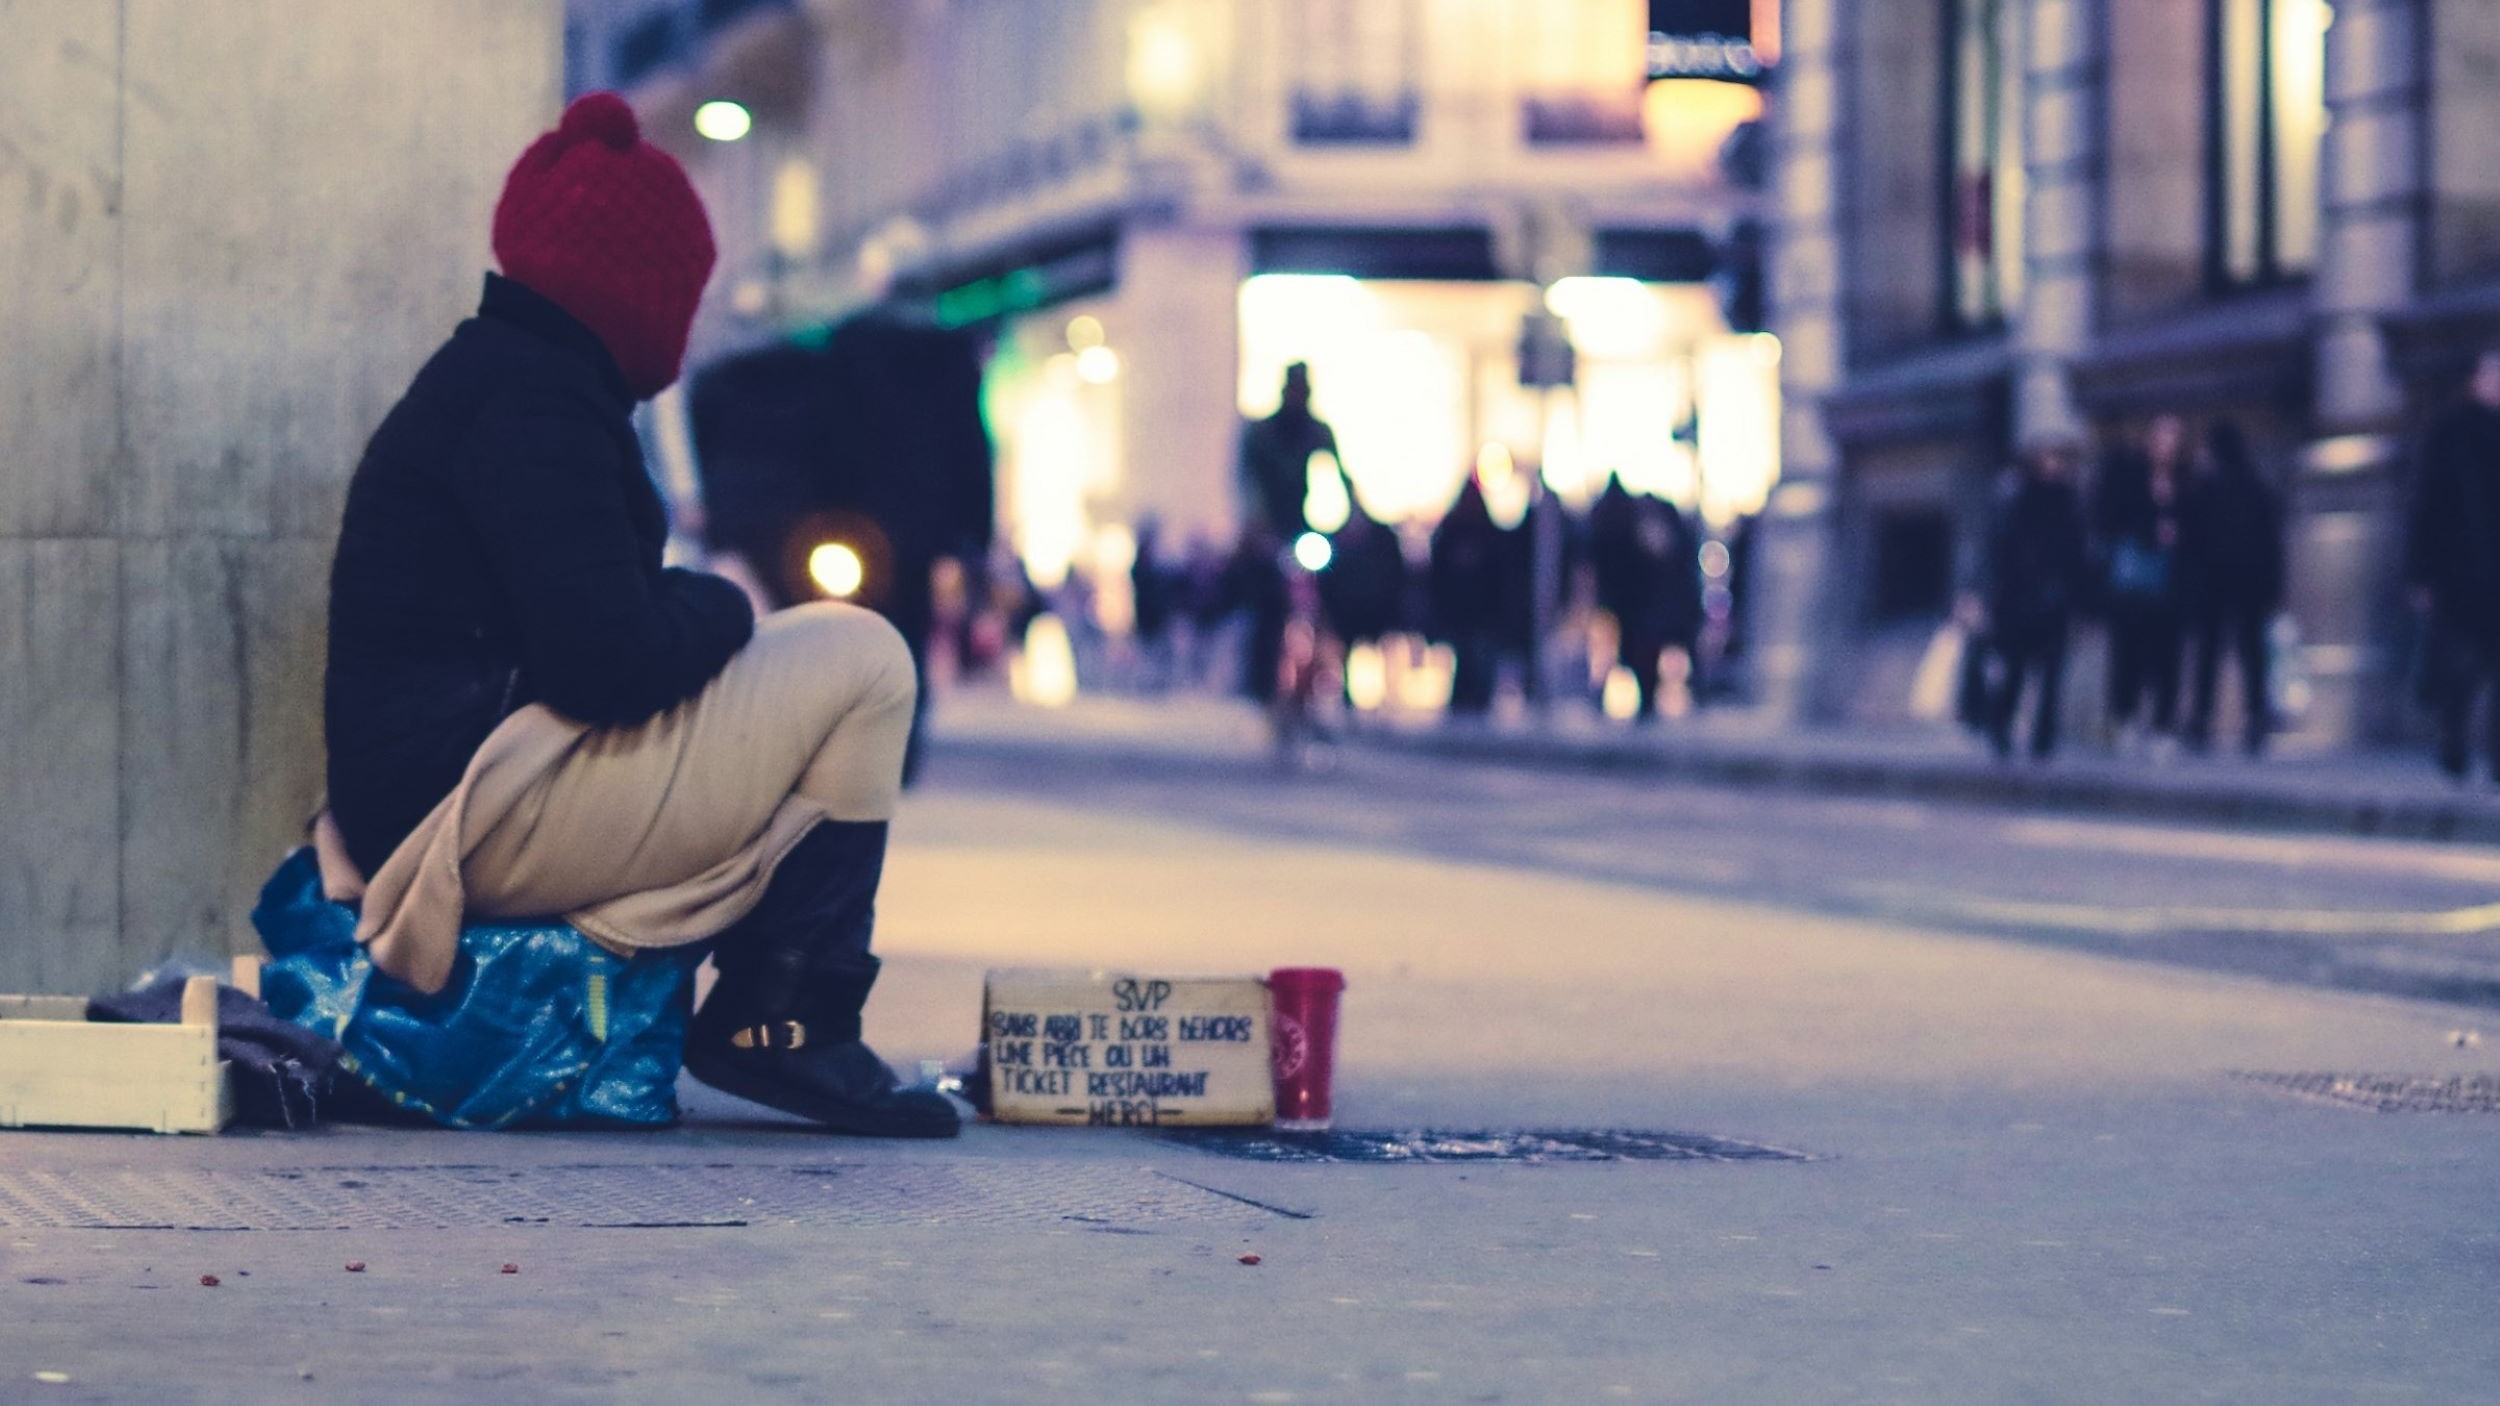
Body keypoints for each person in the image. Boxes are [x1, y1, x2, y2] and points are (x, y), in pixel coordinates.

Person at [321, 94, 956, 1138]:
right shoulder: (530, 403)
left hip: (466, 781)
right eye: (682, 291)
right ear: (638, 286)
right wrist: (716, 602)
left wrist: (696, 611)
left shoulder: (514, 380)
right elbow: (607, 658)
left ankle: (781, 1002)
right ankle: (786, 1016)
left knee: (825, 645)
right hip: (462, 816)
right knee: (865, 654)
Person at [2405, 347, 2500, 780]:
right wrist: (2421, 574)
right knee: (2459, 669)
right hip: (2460, 572)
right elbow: (2427, 504)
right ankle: (2454, 743)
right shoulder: (2449, 432)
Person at [1235, 364, 1343, 703]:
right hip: (1268, 529)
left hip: (1302, 525)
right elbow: (1247, 483)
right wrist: (1256, 524)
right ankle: (1261, 684)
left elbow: (1340, 475)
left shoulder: (1317, 431)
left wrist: (1354, 517)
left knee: (1331, 593)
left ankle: (1330, 679)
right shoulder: (1261, 433)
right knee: (1268, 606)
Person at [2180, 420, 2286, 755]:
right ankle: (2255, 718)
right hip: (2250, 585)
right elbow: (2272, 544)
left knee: (2210, 655)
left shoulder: (2207, 489)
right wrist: (2274, 588)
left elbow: (2192, 543)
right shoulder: (2258, 488)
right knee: (2251, 655)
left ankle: (2201, 720)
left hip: (2215, 585)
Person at [1982, 441, 2091, 761]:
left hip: (2054, 601)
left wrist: (2077, 597)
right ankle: (2000, 728)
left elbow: (2077, 555)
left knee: (2051, 675)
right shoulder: (2015, 497)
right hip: (2016, 600)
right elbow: (1998, 550)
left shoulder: (2068, 501)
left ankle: (2042, 739)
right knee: (2014, 671)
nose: (2054, 464)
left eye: (2059, 457)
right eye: (2048, 456)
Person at [2094, 414, 2190, 750]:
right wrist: (2151, 528)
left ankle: (2163, 724)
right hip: (2134, 580)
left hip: (2171, 581)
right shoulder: (2130, 475)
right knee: (2129, 653)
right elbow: (2110, 517)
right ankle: (2125, 718)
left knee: (2166, 656)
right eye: (2162, 437)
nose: (2167, 446)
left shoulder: (2185, 480)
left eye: (2173, 439)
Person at [1587, 474, 1704, 720]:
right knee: (1639, 650)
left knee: (1635, 650)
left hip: (1637, 605)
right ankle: (1647, 698)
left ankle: (1642, 698)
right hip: (1643, 605)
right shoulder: (1643, 528)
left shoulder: (1619, 526)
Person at [1430, 477, 1508, 717]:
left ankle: (1474, 700)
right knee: (1467, 656)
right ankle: (1467, 700)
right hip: (1464, 610)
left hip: (1478, 610)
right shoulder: (1454, 532)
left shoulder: (1478, 533)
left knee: (1477, 657)